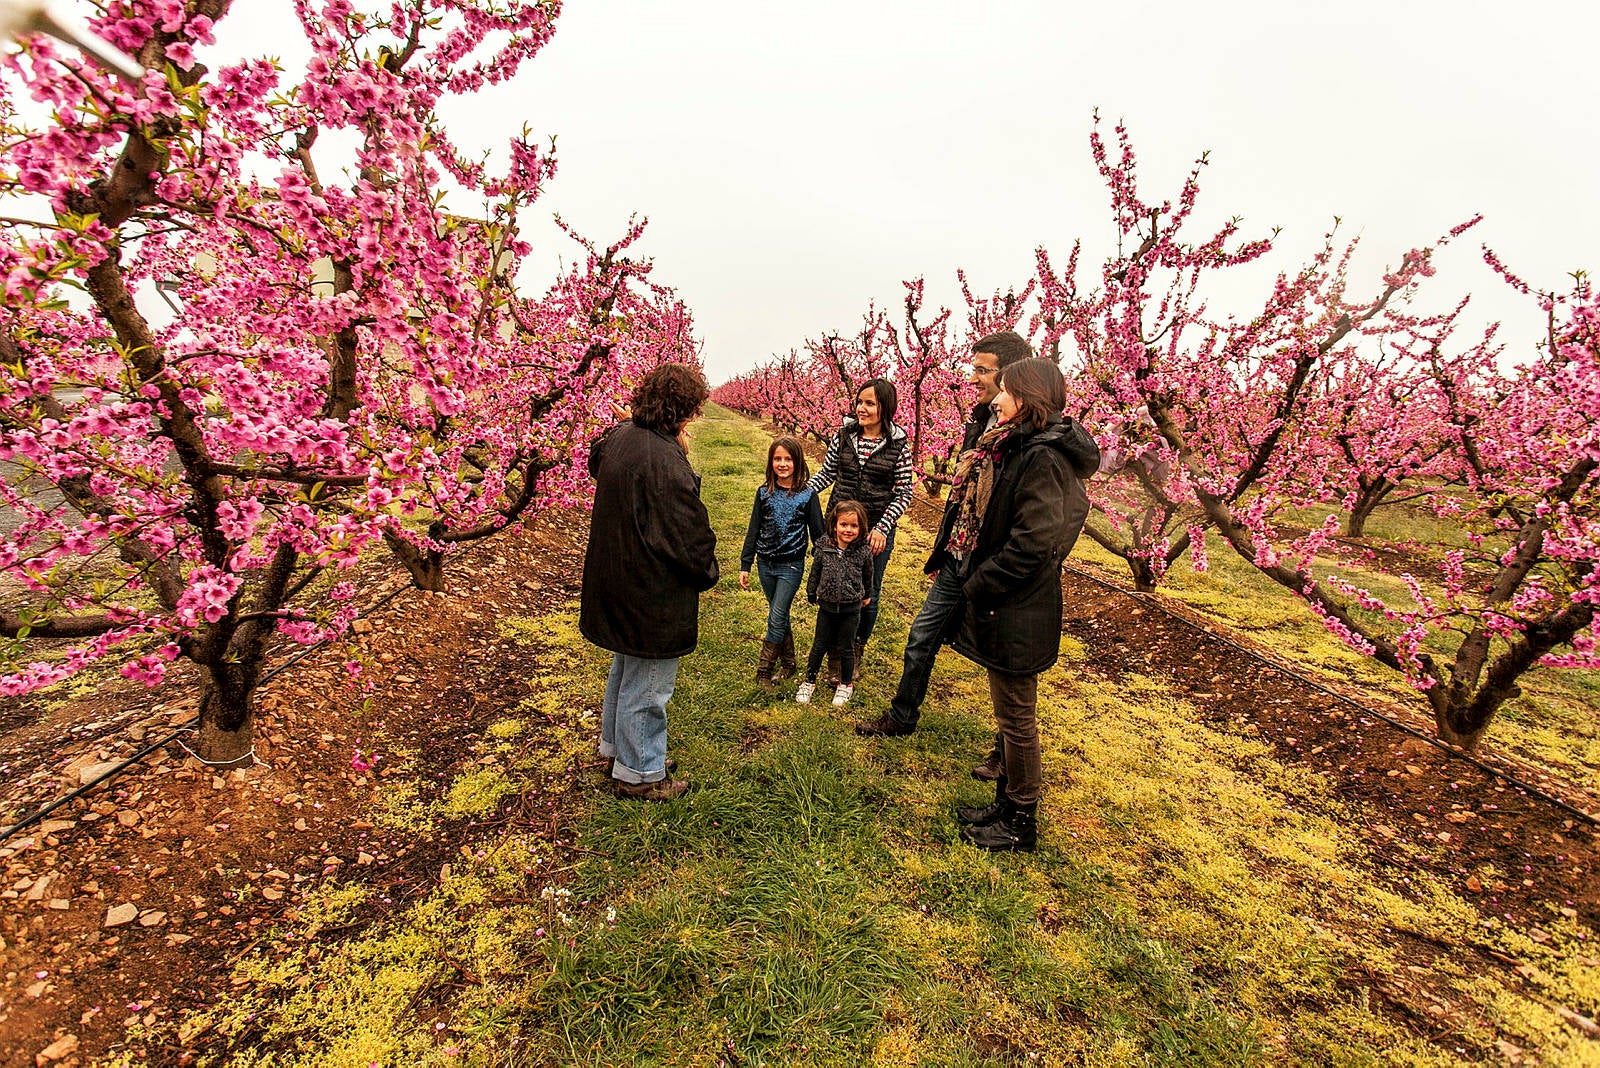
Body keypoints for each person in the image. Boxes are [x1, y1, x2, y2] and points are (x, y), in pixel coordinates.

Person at [855, 331, 1032, 763]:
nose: (972, 378)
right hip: (960, 554)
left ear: (1009, 375)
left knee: (1003, 663)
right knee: (921, 637)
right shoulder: (980, 421)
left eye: (981, 370)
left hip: (998, 564)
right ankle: (902, 715)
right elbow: (965, 491)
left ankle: (1007, 748)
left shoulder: (1031, 434)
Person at [943, 358, 1098, 852]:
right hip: (1009, 603)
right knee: (1008, 713)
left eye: (1005, 391)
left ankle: (1021, 819)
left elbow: (1034, 543)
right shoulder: (1024, 447)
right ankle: (1005, 801)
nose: (996, 399)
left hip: (1018, 605)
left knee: (1016, 717)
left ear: (1027, 398)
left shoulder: (1044, 459)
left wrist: (978, 583)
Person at [579, 363, 719, 801]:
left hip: (618, 576)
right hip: (650, 591)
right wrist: (707, 571)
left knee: (626, 668)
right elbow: (688, 535)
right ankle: (640, 773)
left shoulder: (622, 436)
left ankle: (618, 749)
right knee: (650, 682)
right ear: (681, 410)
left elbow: (594, 460)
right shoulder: (663, 461)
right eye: (692, 411)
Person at [806, 378, 914, 678]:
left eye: (870, 403)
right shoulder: (843, 435)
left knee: (867, 591)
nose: (862, 409)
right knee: (830, 583)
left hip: (874, 530)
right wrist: (801, 494)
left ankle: (854, 647)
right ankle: (832, 649)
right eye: (860, 402)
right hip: (838, 525)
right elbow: (827, 473)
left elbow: (904, 490)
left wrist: (882, 527)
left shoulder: (898, 444)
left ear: (885, 407)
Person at [739, 436, 824, 689]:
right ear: (771, 462)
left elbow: (818, 534)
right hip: (766, 564)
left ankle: (763, 670)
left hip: (791, 566)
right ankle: (788, 663)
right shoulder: (764, 493)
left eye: (788, 459)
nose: (783, 464)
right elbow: (754, 529)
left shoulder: (807, 496)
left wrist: (824, 569)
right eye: (778, 459)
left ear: (797, 462)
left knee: (776, 616)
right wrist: (746, 564)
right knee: (780, 614)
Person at [795, 500, 875, 708]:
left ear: (861, 528)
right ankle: (809, 681)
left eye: (854, 526)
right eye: (844, 525)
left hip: (851, 608)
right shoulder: (824, 548)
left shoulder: (863, 551)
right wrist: (811, 592)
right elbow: (815, 572)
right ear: (834, 525)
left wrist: (867, 594)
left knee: (846, 647)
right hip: (827, 607)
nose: (848, 530)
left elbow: (868, 575)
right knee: (819, 645)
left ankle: (845, 684)